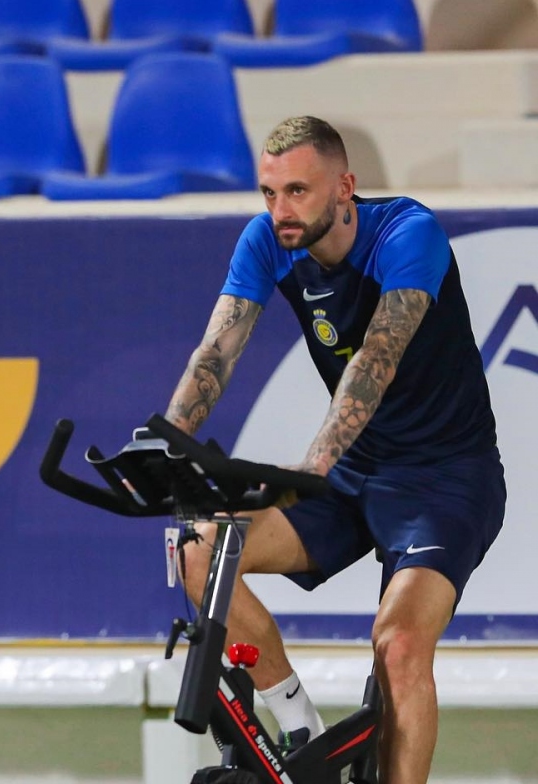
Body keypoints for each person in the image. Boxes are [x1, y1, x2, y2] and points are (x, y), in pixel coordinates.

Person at [165, 116, 504, 783]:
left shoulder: (409, 233)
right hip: (356, 474)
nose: (280, 211)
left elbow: (375, 359)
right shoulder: (268, 240)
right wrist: (165, 444)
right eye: (268, 193)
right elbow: (216, 351)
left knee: (400, 645)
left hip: (446, 480)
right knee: (198, 551)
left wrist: (317, 461)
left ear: (345, 186)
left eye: (297, 191)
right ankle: (297, 721)